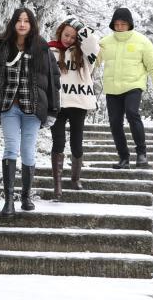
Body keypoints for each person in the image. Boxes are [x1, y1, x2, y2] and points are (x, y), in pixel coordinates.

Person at [0, 7, 61, 217]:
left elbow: (53, 80)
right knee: (10, 149)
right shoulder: (2, 46)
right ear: (13, 23)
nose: (22, 24)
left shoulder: (42, 47)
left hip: (34, 108)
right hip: (8, 107)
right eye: (19, 20)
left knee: (28, 150)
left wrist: (53, 109)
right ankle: (8, 201)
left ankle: (25, 196)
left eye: (27, 21)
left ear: (32, 24)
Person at [98, 7, 153, 168]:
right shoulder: (105, 42)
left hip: (133, 86)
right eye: (117, 24)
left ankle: (141, 154)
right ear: (112, 24)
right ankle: (123, 158)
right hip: (112, 88)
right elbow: (91, 62)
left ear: (129, 24)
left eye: (123, 24)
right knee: (115, 122)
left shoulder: (141, 41)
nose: (120, 27)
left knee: (132, 113)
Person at [47, 17, 101, 200]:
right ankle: (57, 185)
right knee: (58, 141)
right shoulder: (50, 50)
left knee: (77, 142)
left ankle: (75, 178)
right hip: (58, 103)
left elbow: (93, 43)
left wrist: (80, 27)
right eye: (66, 34)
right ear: (60, 32)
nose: (68, 39)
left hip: (79, 103)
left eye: (73, 36)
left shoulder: (86, 55)